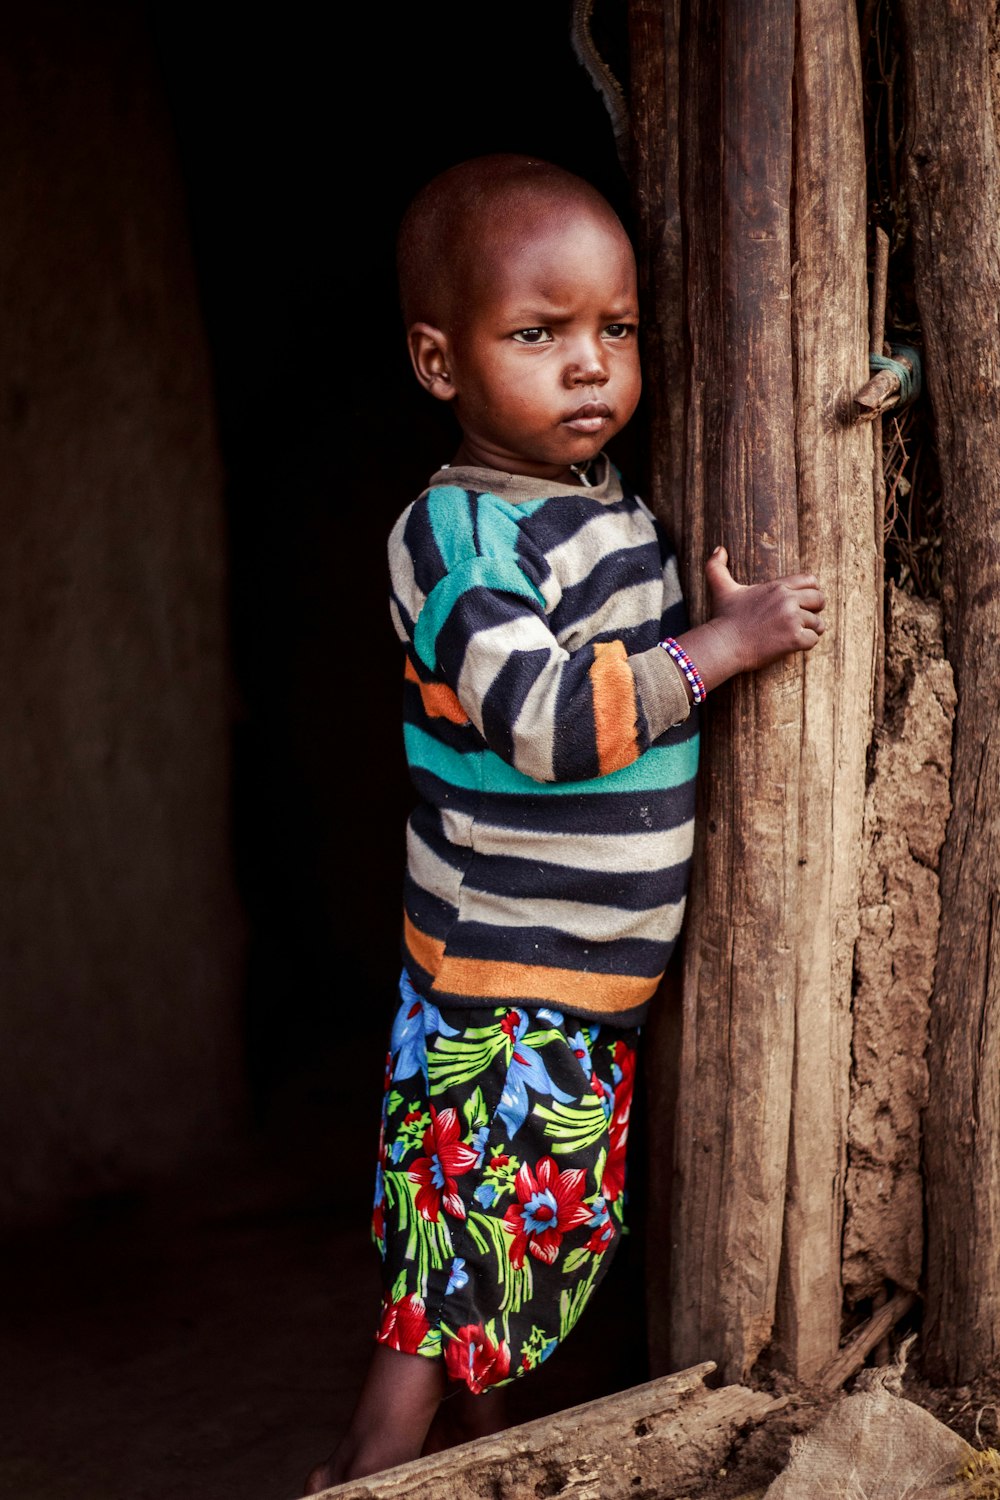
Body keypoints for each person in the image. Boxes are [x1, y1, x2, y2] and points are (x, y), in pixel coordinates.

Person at [305, 153, 825, 1489]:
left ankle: (472, 1476)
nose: (588, 365)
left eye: (616, 330)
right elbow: (546, 721)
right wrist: (721, 644)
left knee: (505, 1273)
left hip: (574, 994)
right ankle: (361, 1475)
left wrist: (681, 601)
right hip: (499, 993)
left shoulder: (595, 508)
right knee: (444, 1283)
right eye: (536, 336)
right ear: (439, 363)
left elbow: (613, 655)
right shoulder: (458, 537)